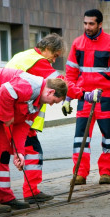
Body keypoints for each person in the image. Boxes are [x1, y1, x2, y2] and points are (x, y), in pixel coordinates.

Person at [0, 68, 67, 213]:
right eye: (54, 101)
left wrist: (18, 152)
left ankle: (3, 196)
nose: (52, 104)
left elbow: (22, 127)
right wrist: (7, 116)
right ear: (50, 92)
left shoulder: (38, 103)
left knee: (2, 153)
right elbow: (6, 91)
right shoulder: (31, 85)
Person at [63, 9, 110, 185]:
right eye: (85, 23)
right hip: (84, 97)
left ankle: (106, 173)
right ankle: (79, 173)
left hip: (106, 98)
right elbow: (70, 74)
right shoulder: (77, 44)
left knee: (108, 138)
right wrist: (67, 98)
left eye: (91, 24)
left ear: (100, 24)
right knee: (81, 138)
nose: (87, 27)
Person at [5, 33, 67, 204]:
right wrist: (83, 94)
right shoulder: (39, 61)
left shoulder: (23, 56)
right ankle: (30, 192)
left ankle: (29, 191)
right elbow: (59, 82)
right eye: (54, 56)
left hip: (15, 114)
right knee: (33, 153)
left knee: (28, 151)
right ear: (47, 49)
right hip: (19, 117)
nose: (54, 61)